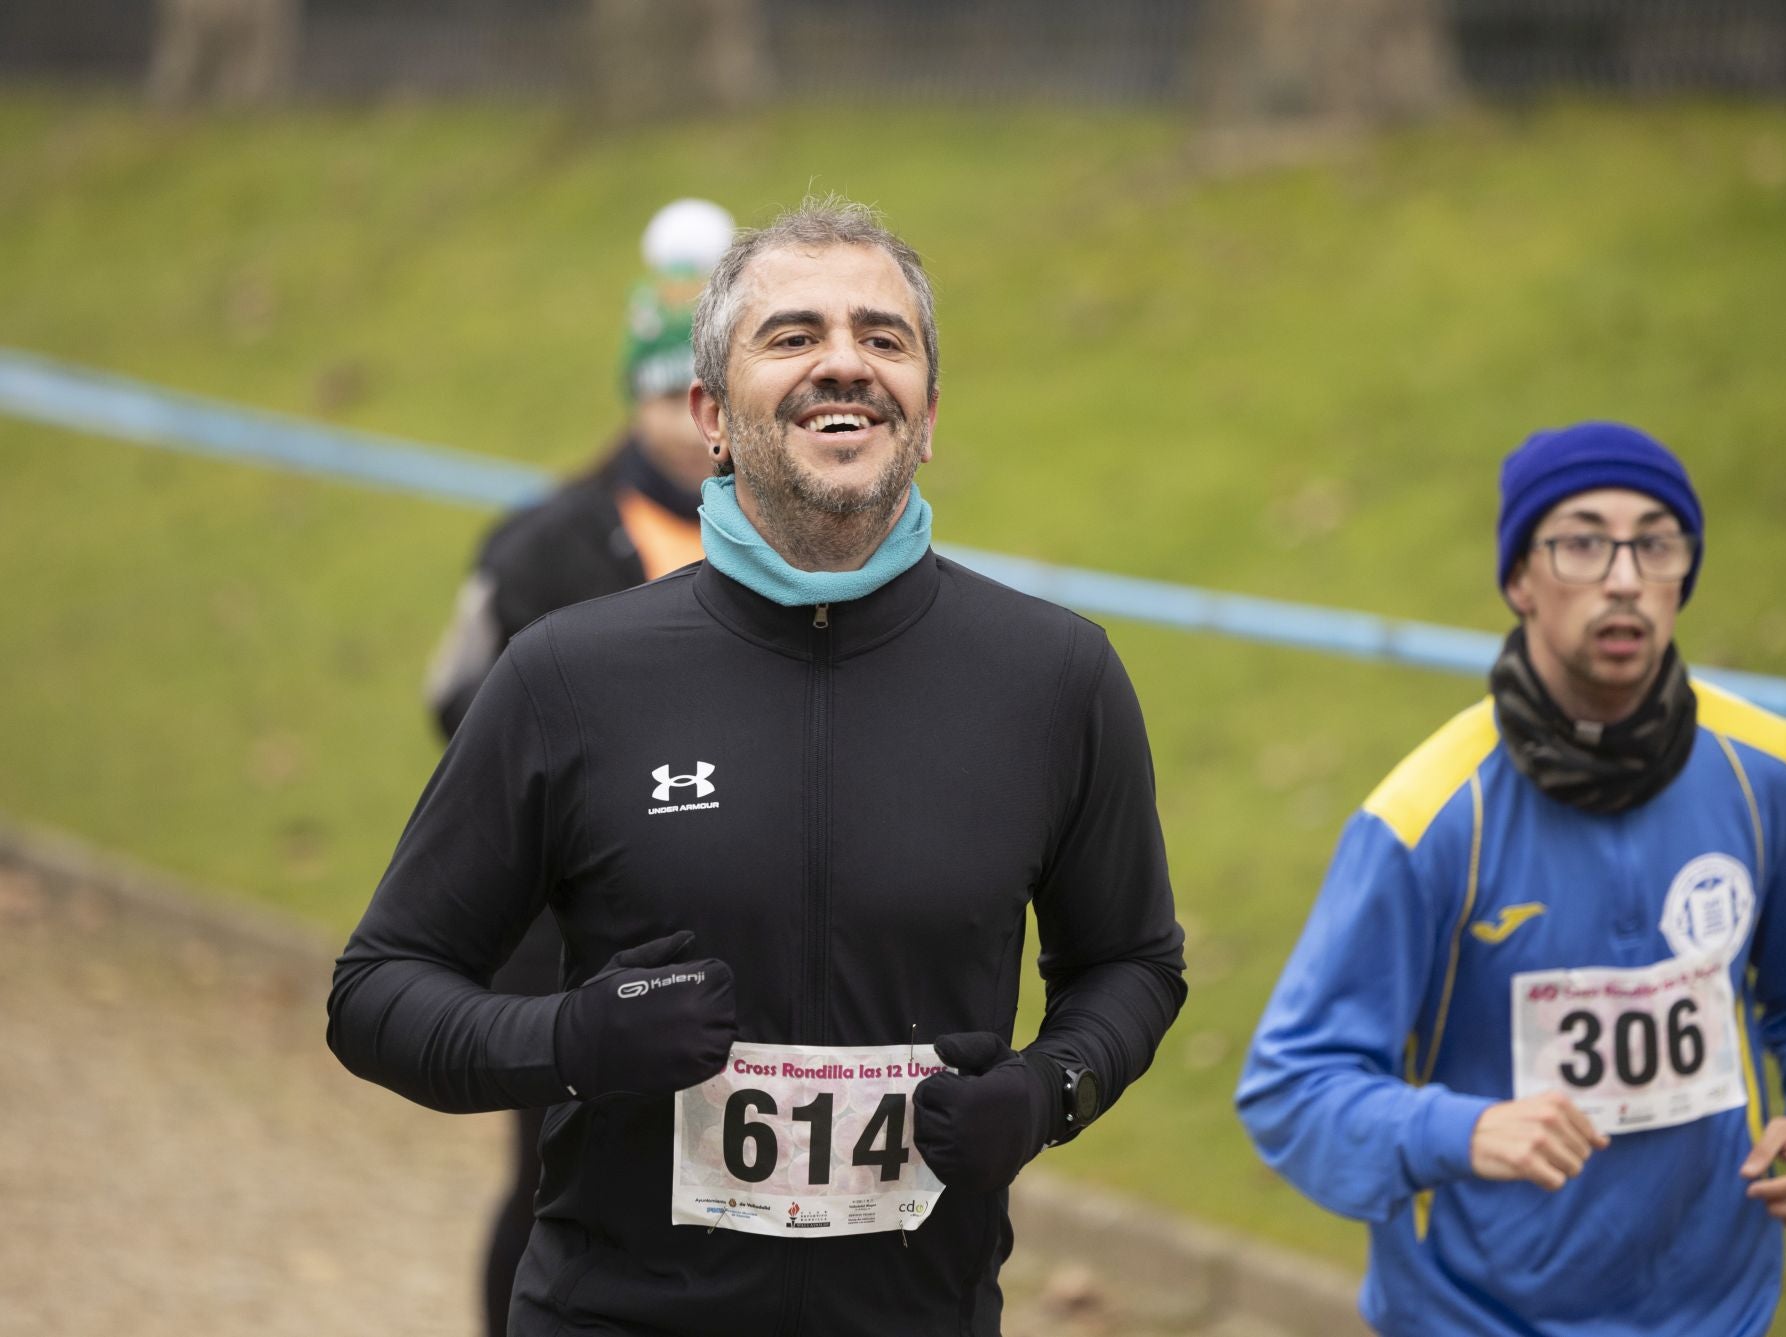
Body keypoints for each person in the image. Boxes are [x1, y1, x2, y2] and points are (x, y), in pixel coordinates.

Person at [330, 199, 1187, 1335]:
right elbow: (378, 991)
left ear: (928, 415)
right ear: (712, 414)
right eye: (791, 336)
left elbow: (1132, 960)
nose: (846, 362)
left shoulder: (1055, 677)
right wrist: (570, 1040)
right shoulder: (569, 675)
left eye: (885, 338)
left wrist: (1048, 1090)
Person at [1237, 421, 1786, 1335]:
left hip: (1720, 1311)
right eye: (1581, 543)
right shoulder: (1426, 818)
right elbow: (1290, 1086)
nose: (1623, 577)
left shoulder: (1767, 770)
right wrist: (1461, 1130)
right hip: (1474, 1315)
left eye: (1655, 543)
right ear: (1518, 580)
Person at [419, 196, 734, 1337]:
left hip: (737, 945)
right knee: (561, 1183)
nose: (691, 427)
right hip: (562, 953)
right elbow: (457, 711)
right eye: (665, 397)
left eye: (707, 399)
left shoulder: (802, 542)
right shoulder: (538, 545)